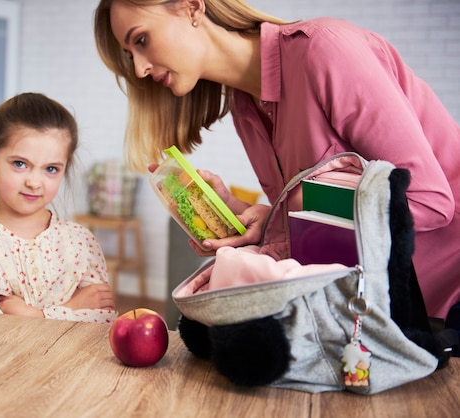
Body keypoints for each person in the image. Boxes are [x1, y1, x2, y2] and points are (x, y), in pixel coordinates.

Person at [93, 0, 460, 328]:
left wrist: (287, 215)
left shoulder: (326, 50)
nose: (139, 68)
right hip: (392, 311)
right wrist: (260, 222)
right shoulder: (245, 110)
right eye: (130, 54)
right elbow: (320, 226)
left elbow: (429, 201)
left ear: (191, 7)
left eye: (140, 40)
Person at [0, 92, 117, 323]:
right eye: (20, 164)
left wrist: (33, 315)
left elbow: (102, 325)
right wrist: (72, 309)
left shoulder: (81, 242)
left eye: (51, 169)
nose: (34, 182)